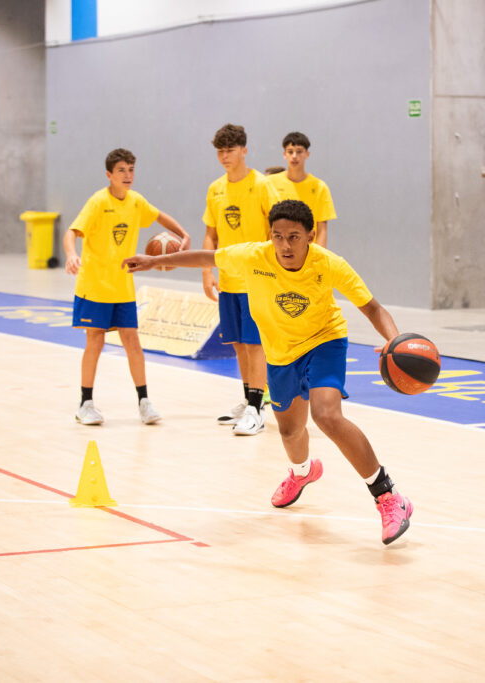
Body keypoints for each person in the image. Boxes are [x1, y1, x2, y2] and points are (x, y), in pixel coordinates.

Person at [123, 199, 414, 545]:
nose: (285, 245)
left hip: (324, 341)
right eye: (277, 236)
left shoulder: (329, 264)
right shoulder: (253, 255)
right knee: (290, 433)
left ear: (310, 237)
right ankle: (302, 473)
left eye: (293, 236)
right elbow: (207, 257)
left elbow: (372, 307)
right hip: (279, 352)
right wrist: (156, 260)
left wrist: (394, 341)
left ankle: (388, 496)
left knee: (326, 415)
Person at [64, 147, 191, 426]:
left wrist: (183, 233)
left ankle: (144, 402)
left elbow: (159, 216)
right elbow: (72, 231)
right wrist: (72, 254)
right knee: (94, 342)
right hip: (94, 286)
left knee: (132, 341)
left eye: (131, 170)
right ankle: (85, 402)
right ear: (109, 174)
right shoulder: (98, 202)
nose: (128, 175)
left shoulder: (135, 201)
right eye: (122, 170)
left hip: (122, 287)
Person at [203, 123, 280, 435]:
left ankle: (256, 406)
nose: (225, 156)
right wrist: (207, 271)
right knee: (237, 343)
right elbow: (211, 234)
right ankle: (250, 399)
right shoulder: (215, 189)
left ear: (244, 150)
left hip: (257, 280)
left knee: (254, 344)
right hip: (228, 281)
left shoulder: (261, 185)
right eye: (220, 151)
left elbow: (279, 229)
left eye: (230, 150)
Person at [267, 132, 336, 247]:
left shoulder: (319, 187)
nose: (294, 156)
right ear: (284, 154)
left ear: (307, 154)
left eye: (299, 151)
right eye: (290, 152)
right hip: (277, 251)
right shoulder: (270, 183)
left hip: (307, 252)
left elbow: (322, 228)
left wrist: (319, 258)